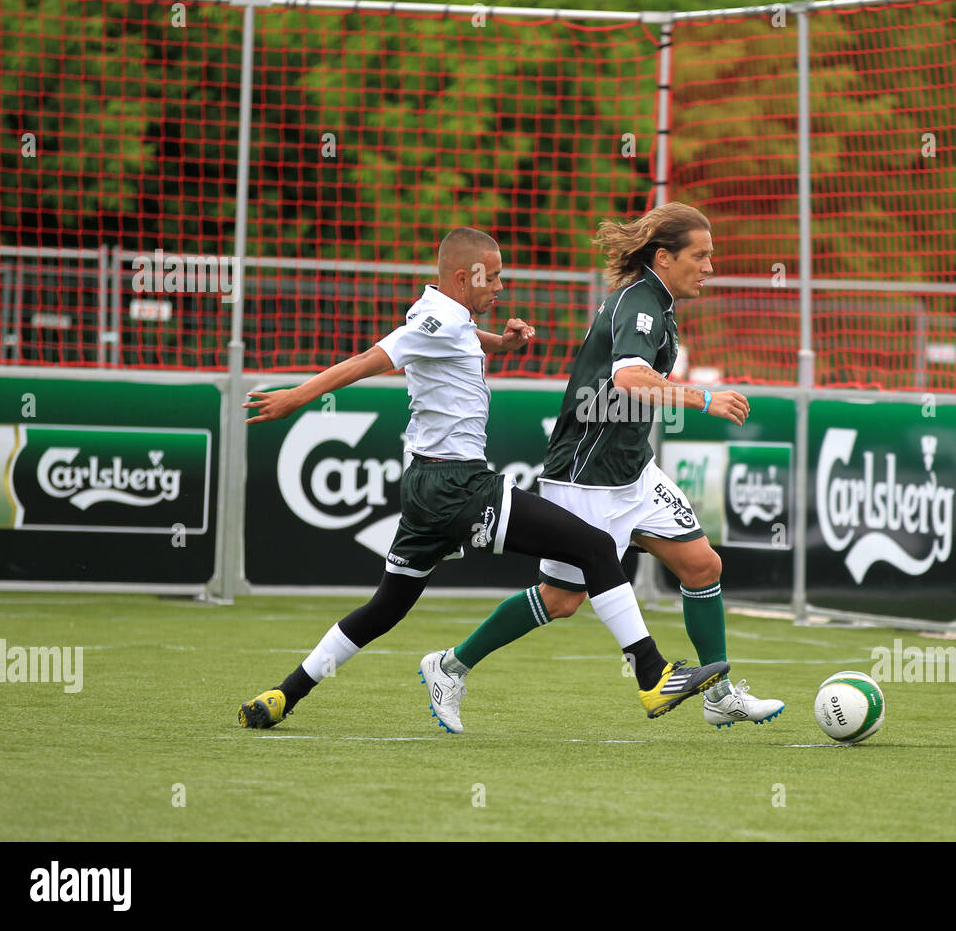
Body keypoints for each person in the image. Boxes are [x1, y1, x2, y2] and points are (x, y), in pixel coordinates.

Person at [236, 226, 728, 733]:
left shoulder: (448, 318)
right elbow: (369, 360)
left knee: (386, 606)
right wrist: (295, 396)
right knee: (597, 548)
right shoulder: (432, 320)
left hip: (425, 487)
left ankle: (283, 694)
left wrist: (502, 342)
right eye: (491, 277)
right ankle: (652, 674)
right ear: (461, 275)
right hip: (459, 486)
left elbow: (456, 340)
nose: (499, 286)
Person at [425, 204, 784, 730]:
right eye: (700, 255)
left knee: (703, 565)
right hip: (586, 473)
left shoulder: (657, 302)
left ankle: (718, 693)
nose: (710, 266)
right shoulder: (640, 304)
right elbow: (629, 381)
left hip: (633, 470)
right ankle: (449, 666)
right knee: (562, 599)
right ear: (664, 257)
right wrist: (704, 400)